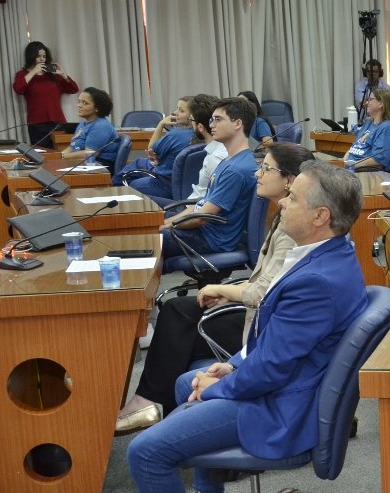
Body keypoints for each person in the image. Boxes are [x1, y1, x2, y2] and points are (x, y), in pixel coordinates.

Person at [99, 162, 368, 493]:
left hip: (283, 408)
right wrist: (233, 365)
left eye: (293, 198)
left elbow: (276, 367)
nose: (282, 202)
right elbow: (278, 345)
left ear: (321, 216)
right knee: (186, 382)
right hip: (285, 385)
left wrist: (224, 384)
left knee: (146, 452)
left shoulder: (317, 280)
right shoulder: (326, 254)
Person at [114, 142, 315, 433]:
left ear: (289, 180)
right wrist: (228, 293)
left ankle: (151, 406)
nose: (257, 174)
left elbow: (263, 293)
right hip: (260, 309)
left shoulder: (292, 226)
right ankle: (163, 412)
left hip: (264, 325)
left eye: (266, 169)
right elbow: (266, 280)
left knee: (178, 317)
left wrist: (225, 291)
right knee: (178, 318)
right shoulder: (282, 216)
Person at [159, 96, 257, 258]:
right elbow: (201, 205)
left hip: (211, 239)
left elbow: (200, 218)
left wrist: (164, 227)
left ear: (238, 124)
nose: (211, 125)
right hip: (204, 231)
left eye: (218, 119)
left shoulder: (236, 169)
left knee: (146, 238)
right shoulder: (229, 160)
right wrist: (164, 223)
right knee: (148, 224)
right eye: (212, 120)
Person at [117, 96, 196, 198]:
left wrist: (161, 124)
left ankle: (114, 191)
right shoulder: (204, 135)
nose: (175, 113)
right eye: (177, 109)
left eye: (181, 111)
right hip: (185, 184)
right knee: (139, 162)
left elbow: (151, 150)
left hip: (165, 183)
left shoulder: (176, 134)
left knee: (128, 181)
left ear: (192, 116)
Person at [13, 40, 80, 145]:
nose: (42, 59)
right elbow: (18, 89)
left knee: (61, 152)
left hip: (58, 122)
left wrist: (63, 75)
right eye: (38, 56)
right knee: (41, 153)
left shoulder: (52, 75)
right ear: (31, 56)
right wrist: (33, 72)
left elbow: (74, 89)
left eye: (44, 56)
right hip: (37, 124)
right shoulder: (22, 74)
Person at [345, 89, 390, 172]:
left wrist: (351, 165)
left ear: (381, 103)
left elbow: (377, 161)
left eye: (370, 99)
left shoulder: (387, 128)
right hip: (352, 169)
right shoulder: (368, 122)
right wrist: (343, 162)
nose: (367, 103)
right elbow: (354, 147)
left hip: (369, 173)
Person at [62, 87, 119, 169]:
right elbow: (71, 148)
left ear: (97, 108)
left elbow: (90, 154)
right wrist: (57, 156)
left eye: (85, 103)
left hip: (100, 166)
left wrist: (63, 156)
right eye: (79, 102)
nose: (79, 105)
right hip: (82, 163)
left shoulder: (101, 126)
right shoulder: (83, 124)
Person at [188, 94, 225, 202]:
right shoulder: (216, 150)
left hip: (195, 208)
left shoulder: (215, 158)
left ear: (200, 127)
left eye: (191, 120)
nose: (191, 125)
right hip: (193, 204)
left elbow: (214, 201)